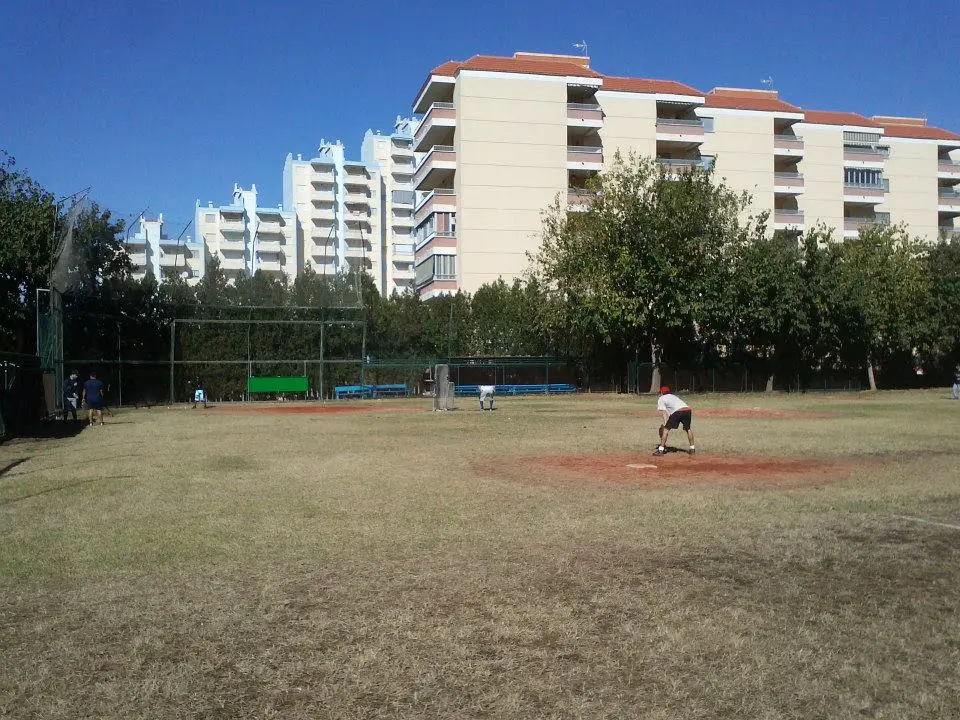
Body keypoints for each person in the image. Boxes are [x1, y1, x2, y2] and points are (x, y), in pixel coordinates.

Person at [653, 386, 694, 456]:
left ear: (662, 392)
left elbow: (664, 412)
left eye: (660, 393)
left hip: (678, 412)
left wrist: (665, 424)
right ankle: (692, 448)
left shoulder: (661, 398)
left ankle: (660, 450)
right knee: (688, 429)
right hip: (687, 410)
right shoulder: (673, 396)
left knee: (665, 430)